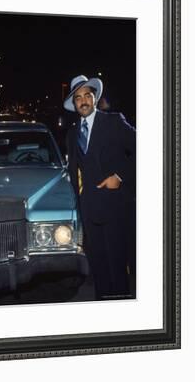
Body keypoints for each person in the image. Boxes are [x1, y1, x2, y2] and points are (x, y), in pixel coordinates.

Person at [64, 74, 136, 300]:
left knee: (117, 264)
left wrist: (121, 176)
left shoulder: (113, 122)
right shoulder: (72, 133)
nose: (83, 101)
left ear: (95, 98)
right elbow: (74, 172)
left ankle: (122, 310)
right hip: (89, 210)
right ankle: (104, 309)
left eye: (87, 95)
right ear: (74, 104)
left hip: (115, 207)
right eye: (78, 98)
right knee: (99, 266)